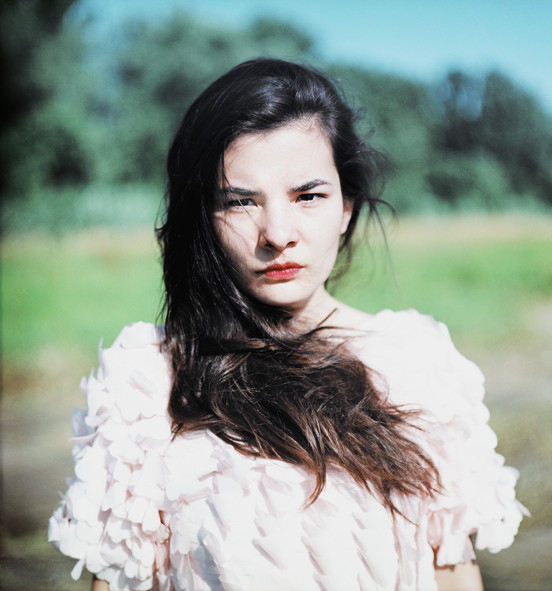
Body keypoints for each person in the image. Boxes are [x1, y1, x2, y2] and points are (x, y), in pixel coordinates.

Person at [49, 58, 527, 591]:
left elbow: (454, 574)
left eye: (308, 196)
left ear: (346, 207)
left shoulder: (420, 360)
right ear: (202, 218)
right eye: (240, 202)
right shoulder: (148, 382)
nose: (277, 234)